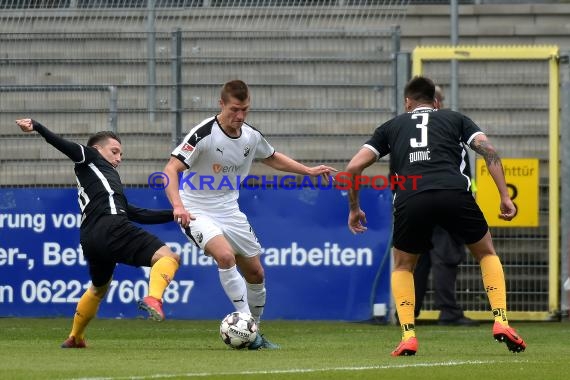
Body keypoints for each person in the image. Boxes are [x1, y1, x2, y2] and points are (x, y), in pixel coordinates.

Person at [344, 76, 526, 356]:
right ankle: (501, 321)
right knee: (486, 252)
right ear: (436, 103)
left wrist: (354, 208)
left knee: (404, 266)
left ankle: (408, 336)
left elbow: (353, 168)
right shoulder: (456, 119)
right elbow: (489, 151)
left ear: (408, 103)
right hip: (454, 192)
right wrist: (504, 195)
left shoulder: (391, 127)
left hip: (411, 197)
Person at [162, 79, 336, 350]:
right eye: (234, 110)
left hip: (230, 211)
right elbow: (171, 169)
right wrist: (178, 206)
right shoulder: (203, 134)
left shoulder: (250, 136)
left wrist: (309, 170)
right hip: (196, 209)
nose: (240, 116)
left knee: (256, 274)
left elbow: (272, 156)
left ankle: (254, 332)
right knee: (225, 256)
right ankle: (248, 329)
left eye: (245, 110)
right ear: (221, 104)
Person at [15, 118, 181, 349]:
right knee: (169, 258)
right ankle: (153, 297)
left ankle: (75, 336)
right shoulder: (90, 158)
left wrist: (176, 213)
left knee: (99, 287)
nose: (119, 158)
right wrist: (38, 126)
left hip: (91, 238)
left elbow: (138, 213)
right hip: (112, 227)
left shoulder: (106, 185)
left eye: (121, 154)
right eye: (114, 152)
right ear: (97, 149)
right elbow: (66, 146)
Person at [412, 85, 479, 326]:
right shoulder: (451, 126)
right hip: (447, 200)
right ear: (436, 102)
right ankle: (448, 311)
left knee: (417, 261)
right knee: (446, 258)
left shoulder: (408, 131)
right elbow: (460, 169)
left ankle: (408, 312)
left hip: (416, 201)